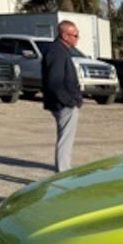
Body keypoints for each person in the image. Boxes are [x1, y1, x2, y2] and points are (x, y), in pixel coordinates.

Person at [42, 20, 83, 172]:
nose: (77, 38)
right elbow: (54, 82)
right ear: (65, 36)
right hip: (63, 105)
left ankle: (63, 169)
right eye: (75, 35)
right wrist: (69, 102)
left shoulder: (61, 50)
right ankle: (62, 172)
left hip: (65, 103)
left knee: (66, 139)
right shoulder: (56, 52)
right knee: (65, 141)